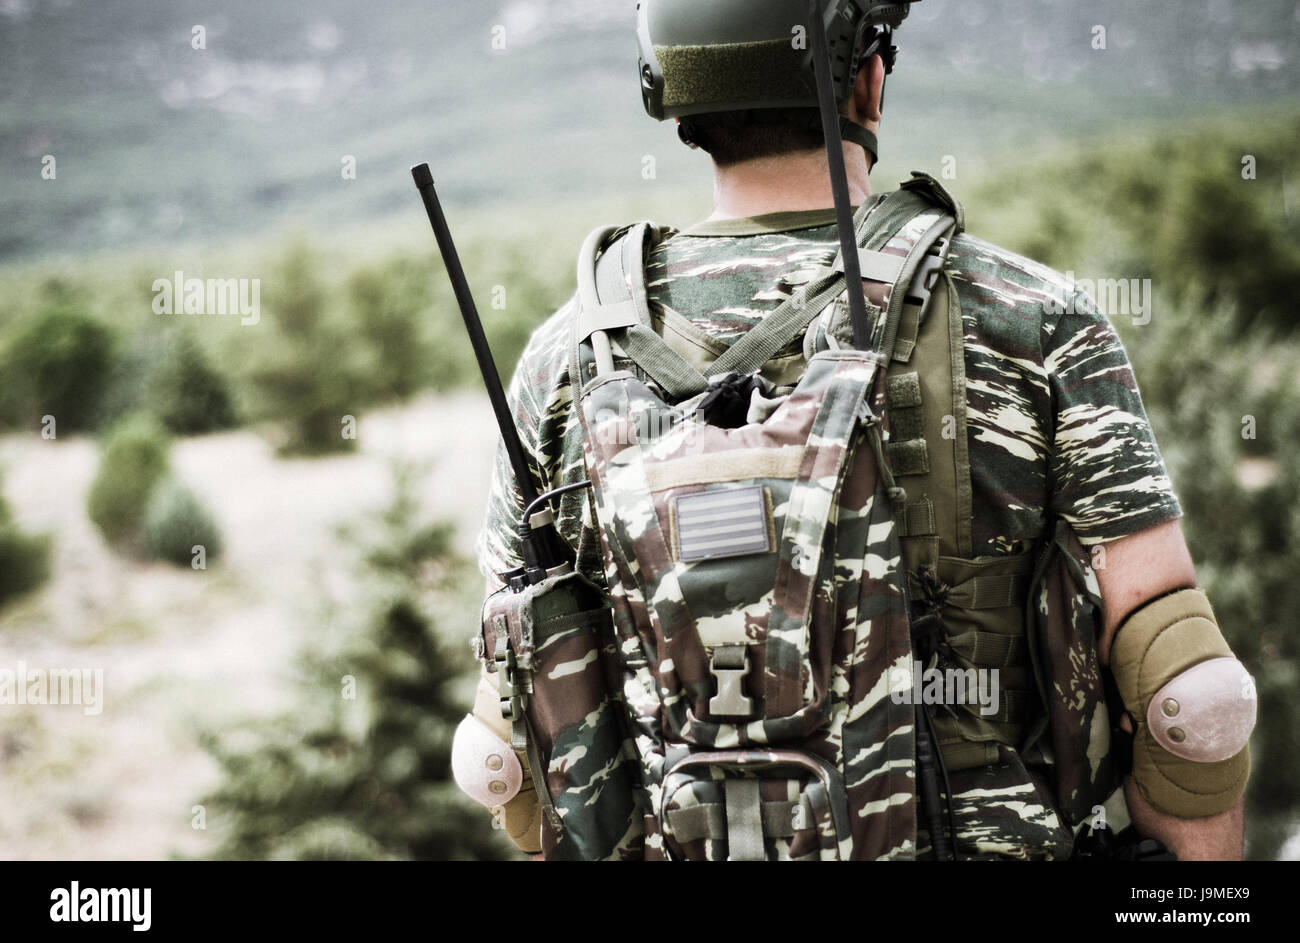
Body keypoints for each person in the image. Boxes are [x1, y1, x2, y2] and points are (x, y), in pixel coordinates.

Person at [454, 0, 1253, 861]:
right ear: (868, 79)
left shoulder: (561, 363)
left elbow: (514, 741)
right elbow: (1187, 700)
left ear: (675, 104)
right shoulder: (1035, 320)